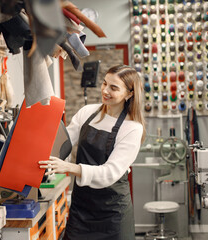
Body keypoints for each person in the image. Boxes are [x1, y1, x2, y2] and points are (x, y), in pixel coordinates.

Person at [39, 65, 146, 240]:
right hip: (81, 208)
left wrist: (69, 167)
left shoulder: (132, 128)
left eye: (114, 88)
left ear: (129, 94)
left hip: (112, 212)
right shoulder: (87, 113)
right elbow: (62, 144)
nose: (105, 90)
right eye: (104, 83)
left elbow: (110, 173)